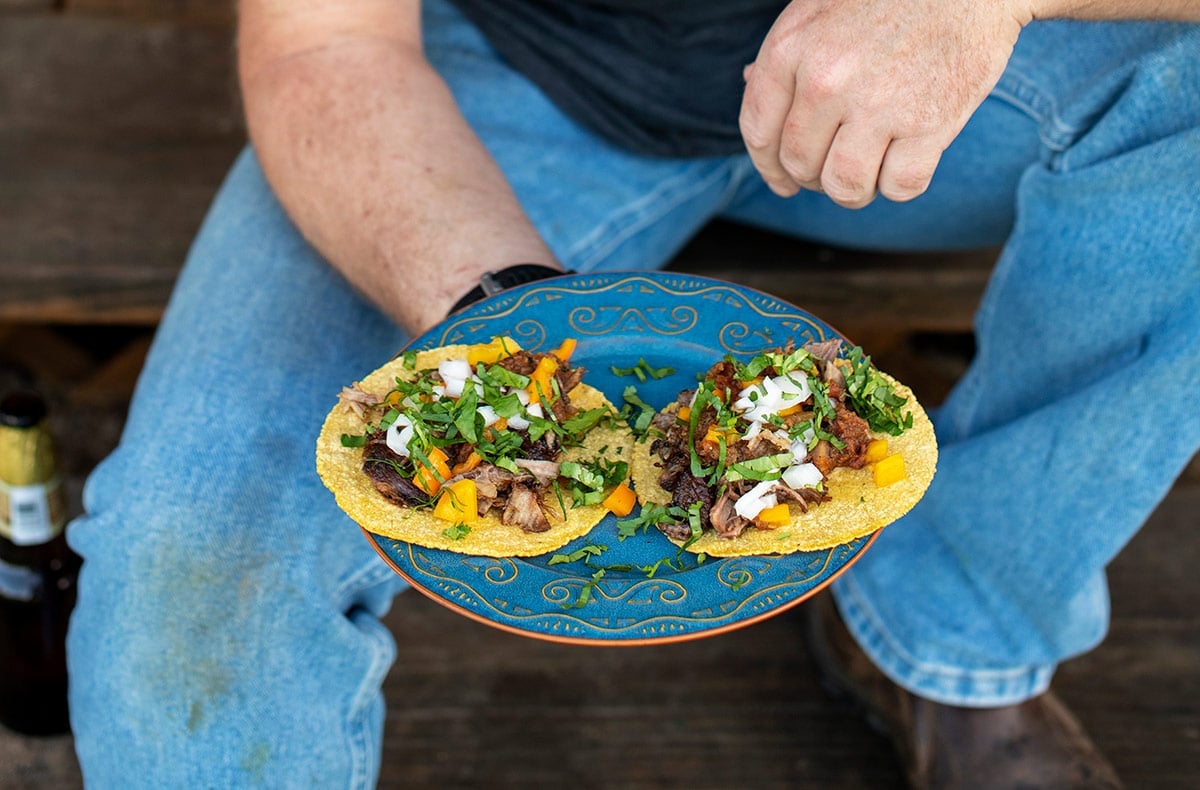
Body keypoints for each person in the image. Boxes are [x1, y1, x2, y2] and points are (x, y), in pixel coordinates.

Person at [64, 0, 1198, 786]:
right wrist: (500, 322)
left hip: (962, 70)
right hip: (498, 88)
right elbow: (326, 43)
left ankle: (957, 634)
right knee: (188, 598)